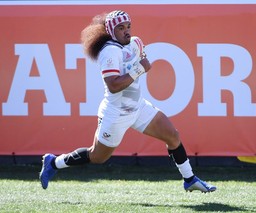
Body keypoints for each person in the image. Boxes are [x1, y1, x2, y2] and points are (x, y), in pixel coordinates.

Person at [39, 10, 216, 193]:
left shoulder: (135, 43)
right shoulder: (109, 51)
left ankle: (189, 179)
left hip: (137, 107)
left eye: (128, 26)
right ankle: (54, 162)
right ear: (110, 31)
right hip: (116, 113)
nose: (127, 31)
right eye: (121, 28)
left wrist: (139, 62)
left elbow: (138, 60)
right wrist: (140, 68)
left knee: (173, 136)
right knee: (97, 156)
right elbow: (114, 85)